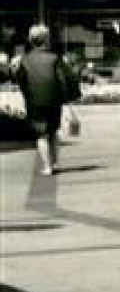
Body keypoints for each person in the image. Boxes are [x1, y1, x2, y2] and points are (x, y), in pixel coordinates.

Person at [12, 25, 76, 178]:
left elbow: (20, 81)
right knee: (53, 132)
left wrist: (27, 94)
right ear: (46, 40)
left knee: (41, 135)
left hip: (34, 101)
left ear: (30, 40)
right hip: (53, 100)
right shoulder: (55, 58)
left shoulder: (25, 59)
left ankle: (47, 167)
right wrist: (66, 97)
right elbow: (64, 79)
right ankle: (54, 162)